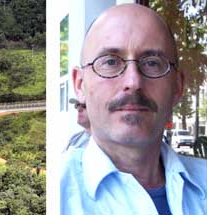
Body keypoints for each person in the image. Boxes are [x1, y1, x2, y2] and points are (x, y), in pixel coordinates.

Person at [61, 4, 207, 214]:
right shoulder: (59, 192)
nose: (133, 81)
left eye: (152, 63)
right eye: (111, 62)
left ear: (177, 86)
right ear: (79, 84)